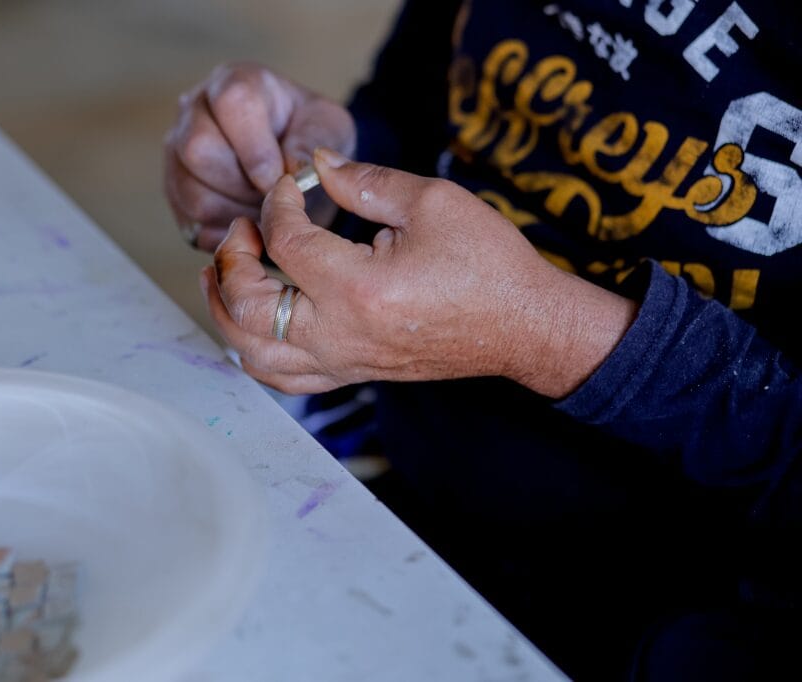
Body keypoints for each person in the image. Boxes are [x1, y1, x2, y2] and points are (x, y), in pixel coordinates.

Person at [163, 1, 802, 678]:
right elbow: (429, 101)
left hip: (674, 616)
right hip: (402, 469)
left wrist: (541, 332)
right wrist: (326, 172)